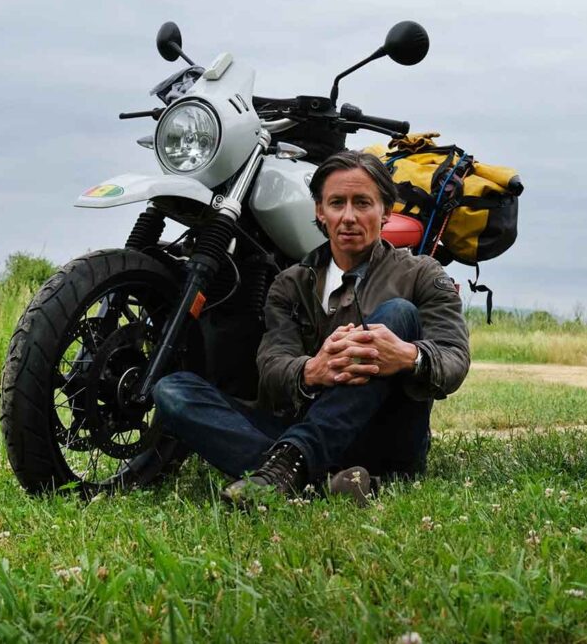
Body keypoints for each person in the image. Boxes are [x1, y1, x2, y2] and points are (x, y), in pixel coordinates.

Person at [152, 150, 470, 506]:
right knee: (172, 391)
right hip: (298, 427)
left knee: (397, 314)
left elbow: (454, 358)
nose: (349, 217)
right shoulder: (290, 283)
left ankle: (291, 463)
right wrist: (311, 370)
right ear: (320, 211)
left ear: (386, 211)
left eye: (362, 203)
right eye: (337, 203)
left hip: (387, 438)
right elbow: (272, 367)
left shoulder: (422, 272)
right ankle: (322, 479)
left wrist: (409, 357)